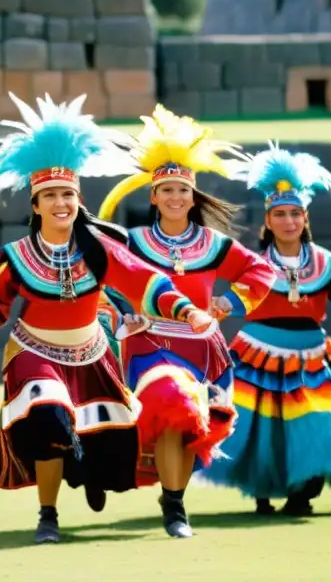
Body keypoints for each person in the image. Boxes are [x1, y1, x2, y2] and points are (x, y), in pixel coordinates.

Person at [0, 93, 216, 544]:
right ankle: (48, 516)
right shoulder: (15, 255)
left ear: (78, 200)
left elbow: (144, 282)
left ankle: (94, 474)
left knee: (110, 449)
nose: (61, 202)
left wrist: (188, 309)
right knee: (48, 415)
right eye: (50, 195)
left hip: (93, 353)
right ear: (36, 205)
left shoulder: (99, 248)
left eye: (68, 195)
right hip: (33, 351)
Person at [97, 105, 276, 538]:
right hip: (149, 344)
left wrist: (229, 302)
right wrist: (122, 315)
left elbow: (261, 272)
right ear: (153, 197)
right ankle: (176, 509)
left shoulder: (214, 244)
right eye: (167, 190)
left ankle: (170, 494)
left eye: (183, 189)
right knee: (170, 401)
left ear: (193, 195)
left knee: (190, 425)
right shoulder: (132, 242)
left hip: (202, 346)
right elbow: (97, 279)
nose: (176, 197)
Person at [199, 142, 331, 515]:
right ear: (268, 220)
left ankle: (303, 494)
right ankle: (262, 494)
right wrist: (220, 305)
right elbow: (240, 296)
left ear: (305, 219)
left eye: (295, 214)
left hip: (311, 354)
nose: (288, 221)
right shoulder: (254, 263)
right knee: (260, 429)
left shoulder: (325, 263)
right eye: (280, 214)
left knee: (318, 422)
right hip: (258, 351)